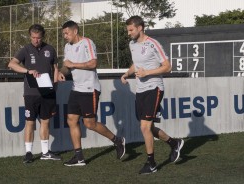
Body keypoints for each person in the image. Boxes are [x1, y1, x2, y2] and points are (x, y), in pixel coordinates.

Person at [121, 16, 184, 174]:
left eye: (131, 30)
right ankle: (174, 143)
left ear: (140, 28)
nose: (129, 33)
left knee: (144, 127)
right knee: (149, 127)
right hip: (140, 90)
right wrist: (127, 73)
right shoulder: (132, 44)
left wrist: (147, 72)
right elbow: (137, 63)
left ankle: (151, 163)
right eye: (127, 30)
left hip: (154, 88)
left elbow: (167, 67)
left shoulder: (153, 43)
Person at [57, 20, 125, 166]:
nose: (65, 36)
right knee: (71, 120)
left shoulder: (87, 42)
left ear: (75, 31)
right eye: (63, 34)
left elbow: (93, 63)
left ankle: (117, 140)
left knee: (89, 124)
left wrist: (73, 64)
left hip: (90, 89)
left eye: (66, 33)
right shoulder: (67, 47)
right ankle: (79, 157)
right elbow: (66, 67)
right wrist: (61, 73)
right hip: (76, 88)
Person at [8, 24, 61, 163]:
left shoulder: (50, 49)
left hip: (47, 92)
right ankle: (28, 153)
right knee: (30, 123)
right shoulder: (25, 49)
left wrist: (55, 85)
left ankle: (45, 152)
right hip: (31, 94)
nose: (36, 40)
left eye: (38, 37)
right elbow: (12, 64)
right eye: (33, 37)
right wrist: (27, 71)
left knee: (45, 122)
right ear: (30, 36)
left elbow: (55, 68)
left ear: (43, 37)